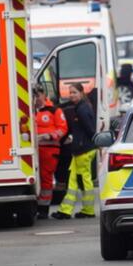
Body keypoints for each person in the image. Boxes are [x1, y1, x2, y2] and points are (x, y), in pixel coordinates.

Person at [52, 83, 97, 220]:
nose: (71, 95)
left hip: (83, 150)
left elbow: (90, 130)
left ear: (81, 93)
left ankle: (88, 210)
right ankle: (66, 210)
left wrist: (93, 142)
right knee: (72, 181)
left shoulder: (82, 109)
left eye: (74, 92)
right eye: (70, 92)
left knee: (84, 181)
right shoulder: (81, 107)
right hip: (80, 150)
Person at [33, 85, 68, 219]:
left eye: (38, 95)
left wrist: (51, 135)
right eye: (34, 96)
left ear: (43, 95)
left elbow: (62, 128)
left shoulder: (54, 111)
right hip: (34, 150)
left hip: (49, 150)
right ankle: (36, 206)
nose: (36, 98)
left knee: (46, 179)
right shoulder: (29, 110)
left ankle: (43, 209)